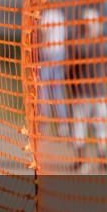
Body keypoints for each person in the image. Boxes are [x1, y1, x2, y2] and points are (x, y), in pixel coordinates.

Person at [68, 8, 107, 172]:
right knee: (100, 128)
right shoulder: (105, 45)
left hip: (81, 93)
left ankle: (82, 160)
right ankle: (103, 159)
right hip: (98, 93)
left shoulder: (76, 44)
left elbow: (70, 69)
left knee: (80, 128)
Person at [38, 8, 70, 139]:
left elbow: (43, 31)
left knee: (43, 87)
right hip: (59, 53)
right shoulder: (60, 14)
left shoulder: (47, 14)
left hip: (49, 53)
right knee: (56, 90)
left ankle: (43, 122)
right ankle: (63, 126)